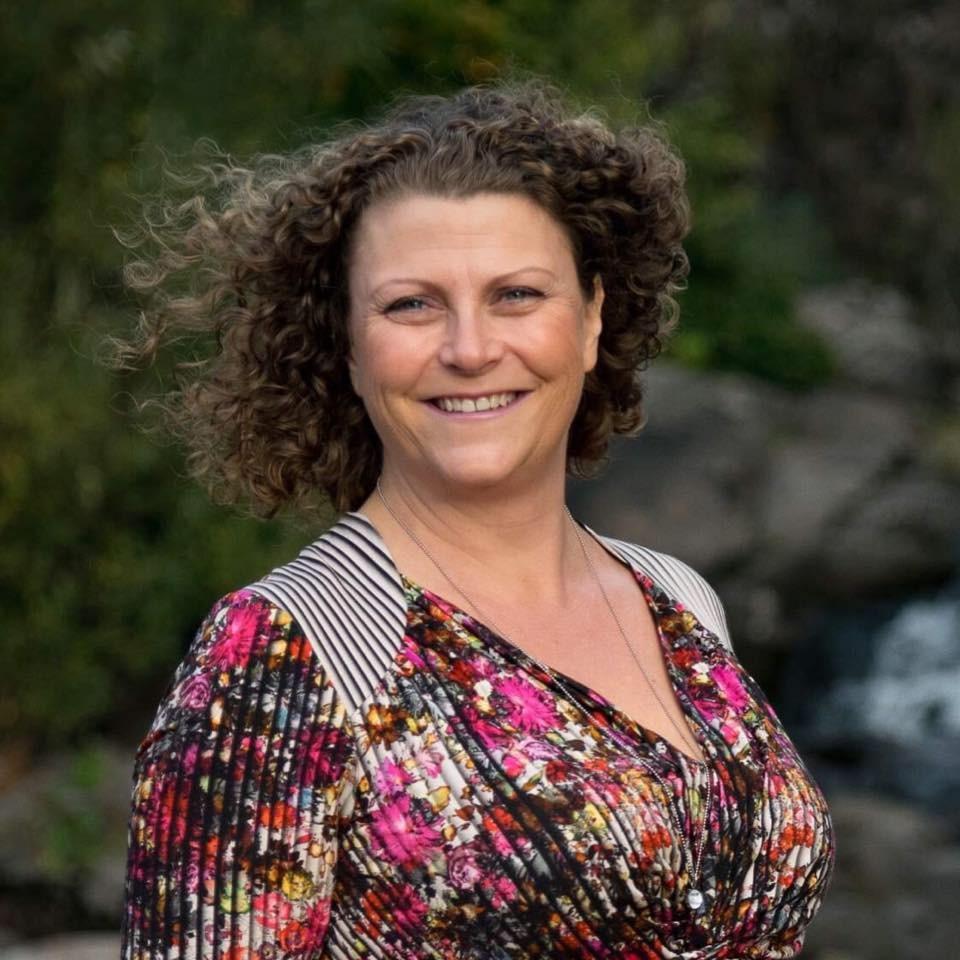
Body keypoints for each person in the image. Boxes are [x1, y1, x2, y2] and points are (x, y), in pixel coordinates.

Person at [117, 78, 835, 959]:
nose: (469, 348)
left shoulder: (679, 599)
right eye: (411, 304)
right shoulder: (280, 654)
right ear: (348, 347)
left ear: (592, 320)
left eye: (517, 295)